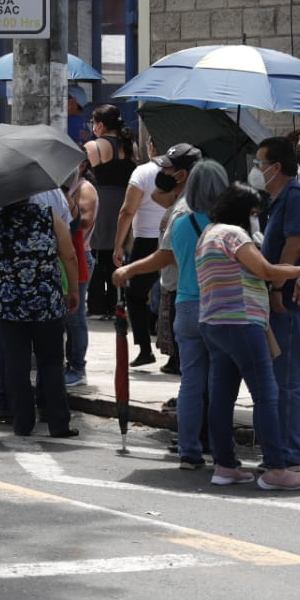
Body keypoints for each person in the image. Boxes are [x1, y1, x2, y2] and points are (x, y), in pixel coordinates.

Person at [195, 183, 300, 491]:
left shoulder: (209, 234)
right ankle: (277, 470)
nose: (257, 218)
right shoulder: (234, 235)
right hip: (241, 323)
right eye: (255, 213)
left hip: (214, 322)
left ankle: (225, 465)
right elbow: (267, 271)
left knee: (221, 397)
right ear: (244, 211)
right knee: (267, 395)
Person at [115, 156, 225, 468]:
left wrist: (128, 271)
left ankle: (189, 449)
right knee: (219, 381)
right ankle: (219, 448)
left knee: (191, 381)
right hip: (221, 307)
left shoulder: (180, 220)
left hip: (187, 306)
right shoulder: (230, 221)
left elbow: (162, 257)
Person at [0, 187, 81, 438]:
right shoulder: (48, 216)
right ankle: (58, 423)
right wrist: (73, 289)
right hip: (46, 301)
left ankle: (22, 423)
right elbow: (70, 255)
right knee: (52, 362)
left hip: (8, 306)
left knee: (15, 365)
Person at [253, 135, 300, 472]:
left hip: (292, 303)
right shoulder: (281, 199)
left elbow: (295, 244)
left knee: (290, 381)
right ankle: (299, 448)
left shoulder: (295, 196)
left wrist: (276, 286)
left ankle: (293, 453)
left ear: (276, 167)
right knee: (288, 379)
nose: (257, 170)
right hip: (287, 298)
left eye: (260, 164)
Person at [113, 142, 167, 367]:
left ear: (151, 146)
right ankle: (174, 355)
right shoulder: (187, 172)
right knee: (173, 294)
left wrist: (118, 245)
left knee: (135, 294)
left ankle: (145, 348)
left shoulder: (143, 171)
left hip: (147, 241)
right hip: (175, 237)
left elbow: (127, 211)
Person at [84, 104, 136, 319]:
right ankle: (117, 301)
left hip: (101, 201)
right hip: (126, 199)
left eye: (94, 123)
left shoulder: (93, 146)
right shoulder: (130, 145)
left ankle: (97, 304)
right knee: (118, 251)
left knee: (97, 252)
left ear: (101, 125)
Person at [63, 165, 99, 385]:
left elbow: (84, 221)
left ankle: (77, 367)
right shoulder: (65, 189)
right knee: (66, 317)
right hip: (68, 254)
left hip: (79, 255)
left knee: (75, 318)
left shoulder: (84, 188)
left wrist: (67, 207)